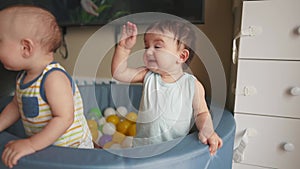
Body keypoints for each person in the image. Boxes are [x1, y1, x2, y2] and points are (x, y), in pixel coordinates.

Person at [0, 5, 93, 168]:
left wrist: (30, 144)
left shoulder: (53, 78)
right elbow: (15, 106)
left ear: (26, 48)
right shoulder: (23, 77)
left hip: (73, 150)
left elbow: (64, 118)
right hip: (47, 146)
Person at [111, 20, 223, 155]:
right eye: (147, 47)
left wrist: (208, 131)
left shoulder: (192, 85)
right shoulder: (148, 75)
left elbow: (201, 113)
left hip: (174, 152)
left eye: (157, 47)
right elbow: (119, 73)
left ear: (181, 56)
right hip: (142, 150)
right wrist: (123, 48)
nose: (149, 52)